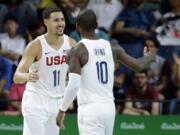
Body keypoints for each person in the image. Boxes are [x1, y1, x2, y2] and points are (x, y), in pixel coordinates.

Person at [56, 9, 155, 135]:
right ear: (97, 25)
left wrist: (62, 109)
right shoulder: (113, 47)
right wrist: (149, 58)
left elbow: (74, 85)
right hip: (109, 107)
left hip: (90, 109)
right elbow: (138, 66)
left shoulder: (77, 50)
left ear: (77, 27)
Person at [13, 7, 76, 135]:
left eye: (62, 20)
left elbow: (76, 75)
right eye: (56, 20)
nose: (61, 23)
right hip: (36, 101)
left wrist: (69, 99)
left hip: (57, 102)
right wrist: (27, 76)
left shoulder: (71, 44)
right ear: (46, 22)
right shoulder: (35, 46)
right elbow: (17, 76)